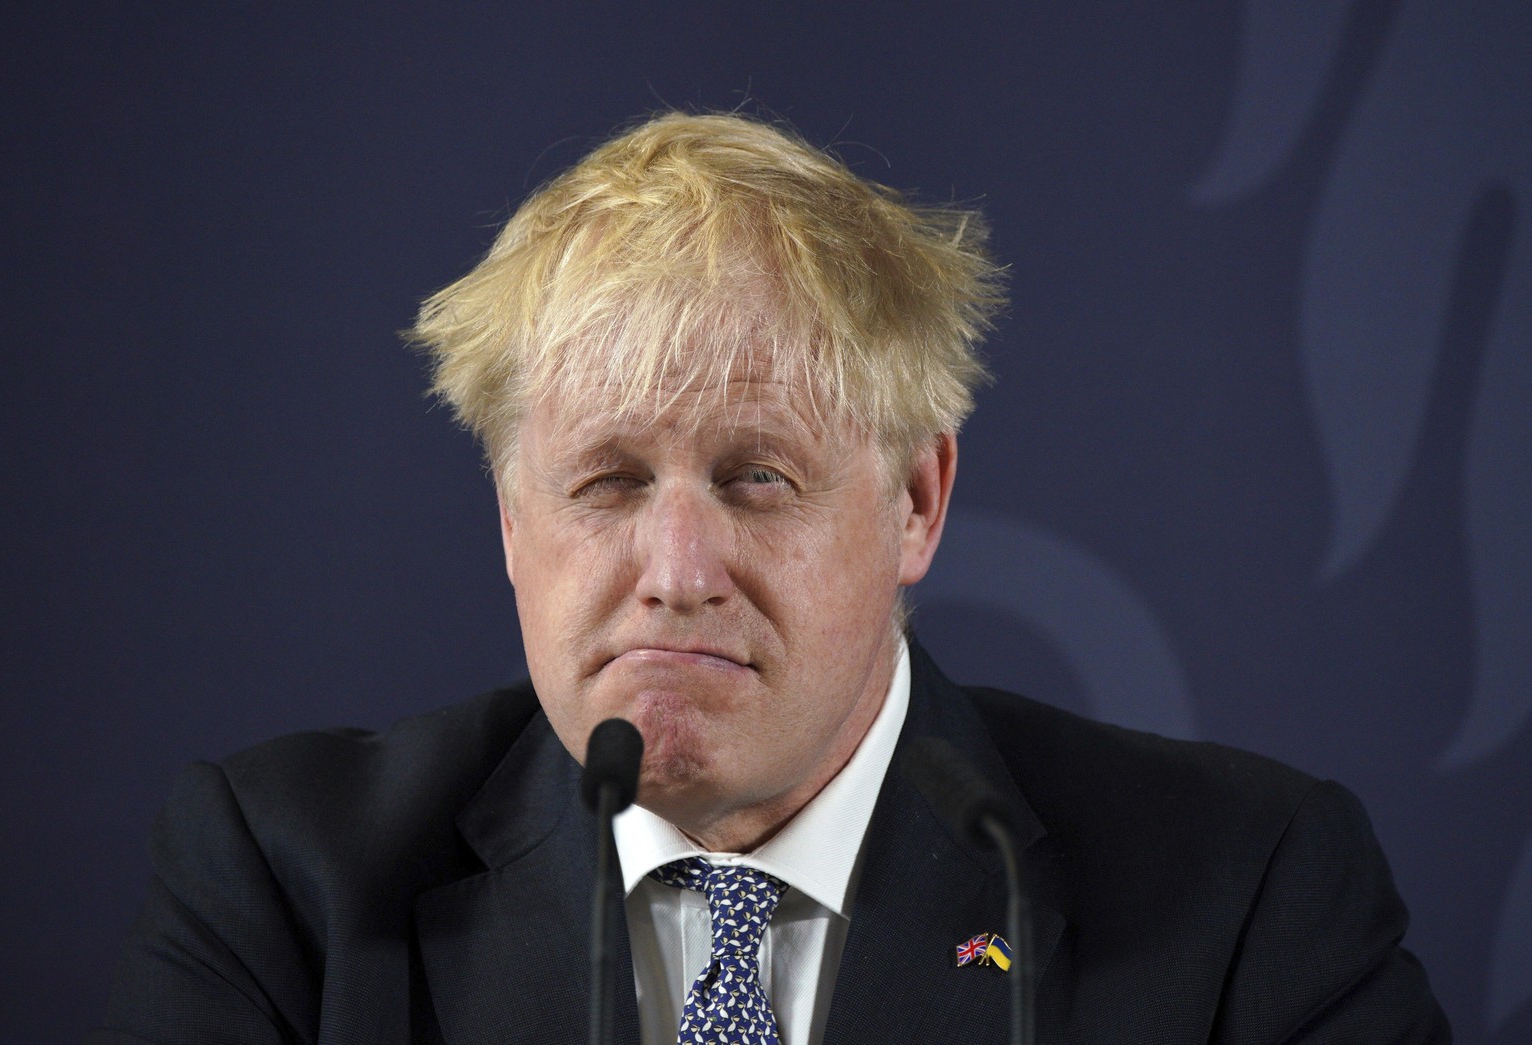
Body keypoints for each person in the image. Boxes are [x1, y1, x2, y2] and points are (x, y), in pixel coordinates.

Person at [92, 112, 1448, 1044]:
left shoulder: (1246, 898)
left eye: (757, 479)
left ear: (916, 501)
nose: (676, 573)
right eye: (608, 483)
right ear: (513, 521)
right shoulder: (289, 889)